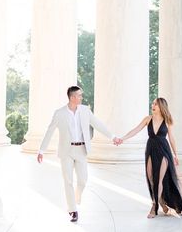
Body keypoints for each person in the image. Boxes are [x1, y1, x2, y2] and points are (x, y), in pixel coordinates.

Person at [37, 85, 121, 222]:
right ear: (72, 97)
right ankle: (72, 210)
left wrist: (112, 137)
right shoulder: (59, 113)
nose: (81, 97)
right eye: (79, 95)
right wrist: (41, 150)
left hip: (81, 150)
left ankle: (76, 197)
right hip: (66, 151)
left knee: (82, 180)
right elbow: (50, 131)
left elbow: (98, 124)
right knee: (68, 180)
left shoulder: (85, 111)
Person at [118, 97, 182, 218]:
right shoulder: (148, 119)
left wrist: (175, 155)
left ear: (161, 107)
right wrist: (122, 138)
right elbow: (135, 130)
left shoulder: (167, 120)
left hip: (164, 151)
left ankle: (154, 206)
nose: (153, 106)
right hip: (151, 149)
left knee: (159, 178)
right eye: (153, 103)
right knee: (151, 178)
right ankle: (162, 203)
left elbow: (172, 138)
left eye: (156, 104)